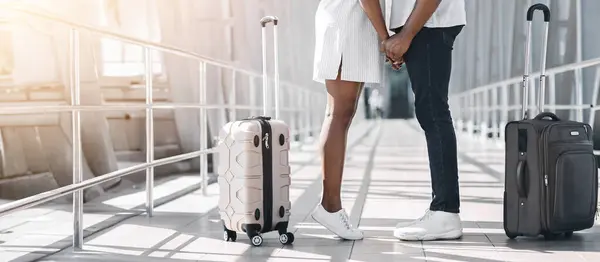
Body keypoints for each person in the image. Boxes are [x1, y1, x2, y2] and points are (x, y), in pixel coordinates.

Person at [382, 0, 466, 241]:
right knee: (431, 111)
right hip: (424, 24)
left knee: (433, 111)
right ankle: (443, 208)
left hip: (429, 24)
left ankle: (445, 211)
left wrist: (406, 34)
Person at [311, 0, 390, 240]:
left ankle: (330, 205)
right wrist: (386, 39)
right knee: (338, 114)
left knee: (342, 114)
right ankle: (330, 206)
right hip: (347, 24)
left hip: (351, 24)